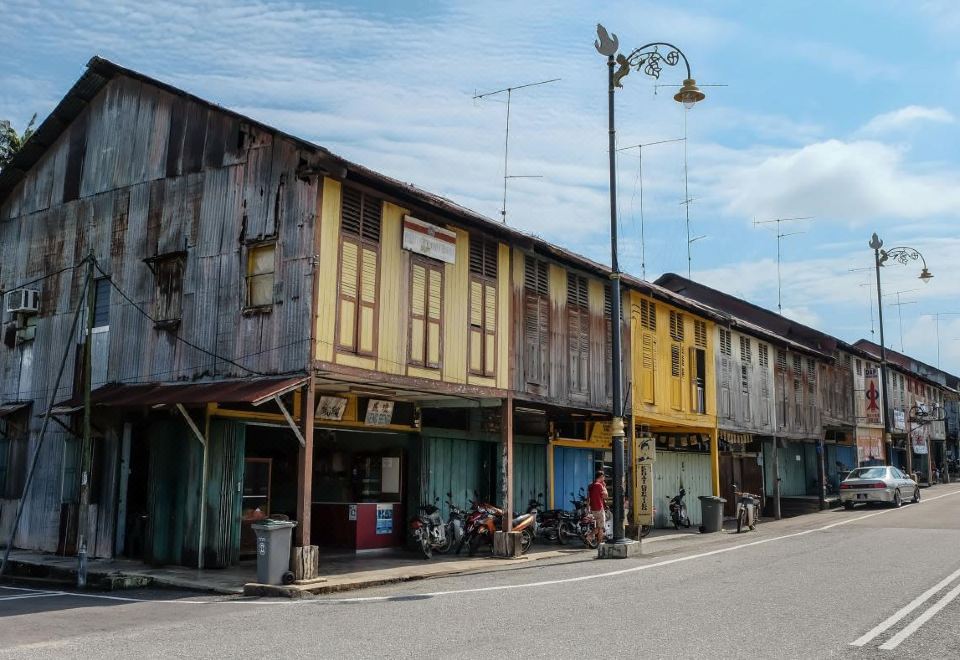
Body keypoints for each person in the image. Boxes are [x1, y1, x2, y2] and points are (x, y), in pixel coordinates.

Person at [587, 470, 608, 544]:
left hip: (593, 508)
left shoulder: (591, 485)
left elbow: (588, 498)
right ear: (601, 477)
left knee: (599, 526)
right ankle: (598, 542)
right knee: (601, 527)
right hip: (599, 508)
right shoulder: (599, 485)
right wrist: (604, 486)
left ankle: (591, 537)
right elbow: (606, 496)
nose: (604, 478)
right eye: (604, 477)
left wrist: (588, 508)